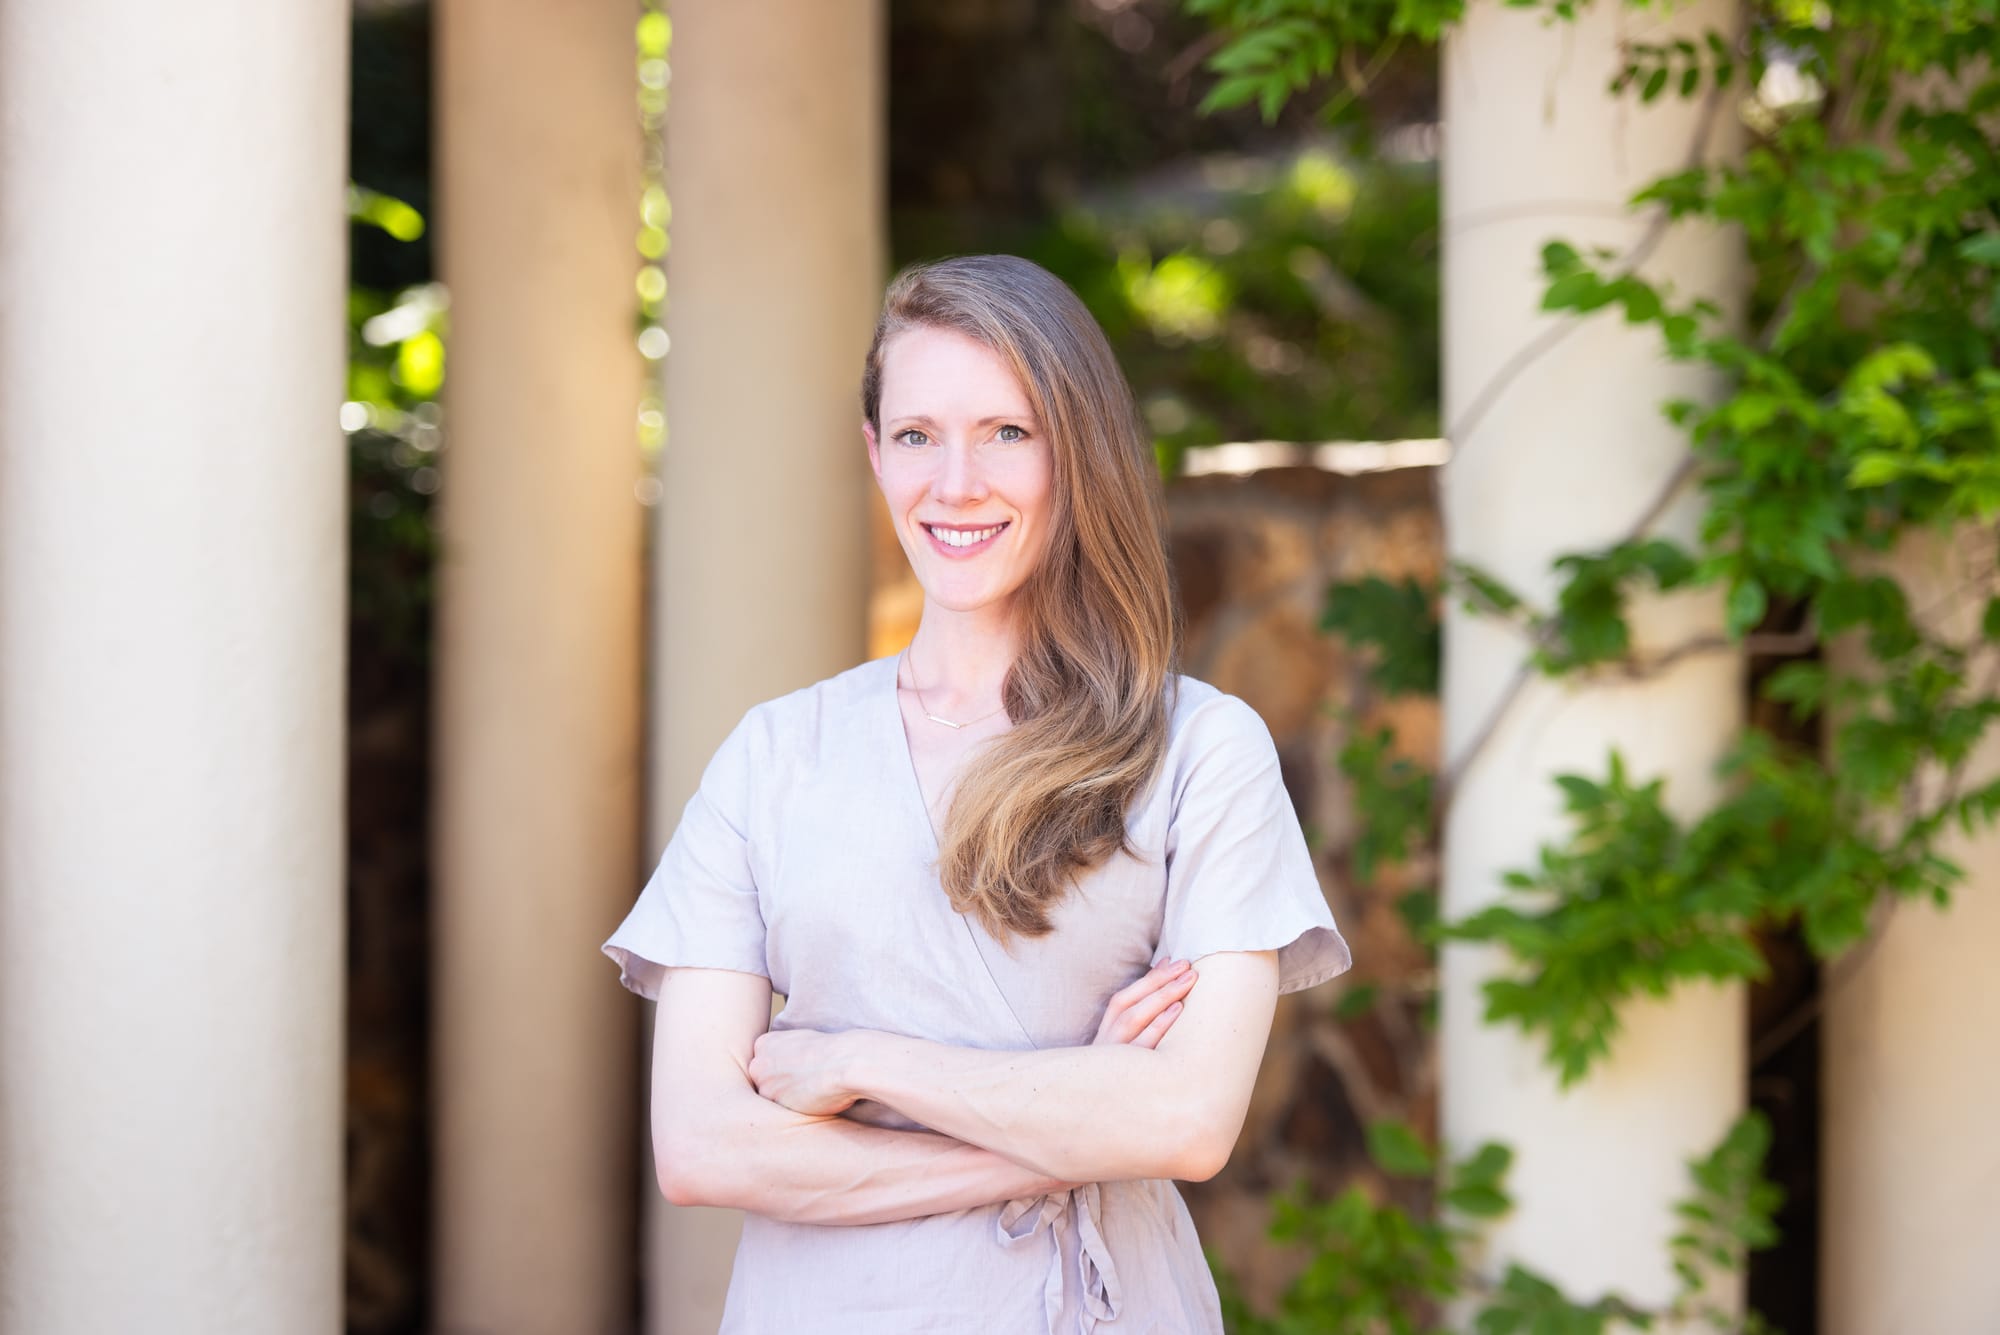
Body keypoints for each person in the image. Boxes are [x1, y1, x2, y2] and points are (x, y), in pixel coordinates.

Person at [601, 253, 1352, 1334]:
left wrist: (859, 1064)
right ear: (874, 453)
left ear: (1078, 451)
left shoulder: (1199, 750)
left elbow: (1186, 1123)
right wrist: (1072, 1121)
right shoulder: (774, 756)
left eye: (1008, 431)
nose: (954, 483)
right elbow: (704, 1147)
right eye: (915, 436)